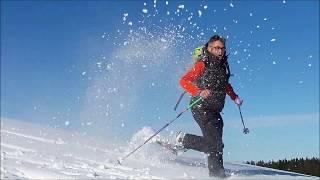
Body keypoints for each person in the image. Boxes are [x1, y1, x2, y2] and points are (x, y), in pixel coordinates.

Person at [178, 35, 243, 178]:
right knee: (214, 144)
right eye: (217, 48)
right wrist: (198, 92)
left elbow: (225, 85)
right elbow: (184, 80)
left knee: (217, 145)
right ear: (209, 48)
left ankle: (217, 174)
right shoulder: (202, 64)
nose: (220, 51)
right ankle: (184, 140)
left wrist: (234, 97)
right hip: (201, 107)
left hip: (215, 110)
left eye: (222, 48)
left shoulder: (222, 66)